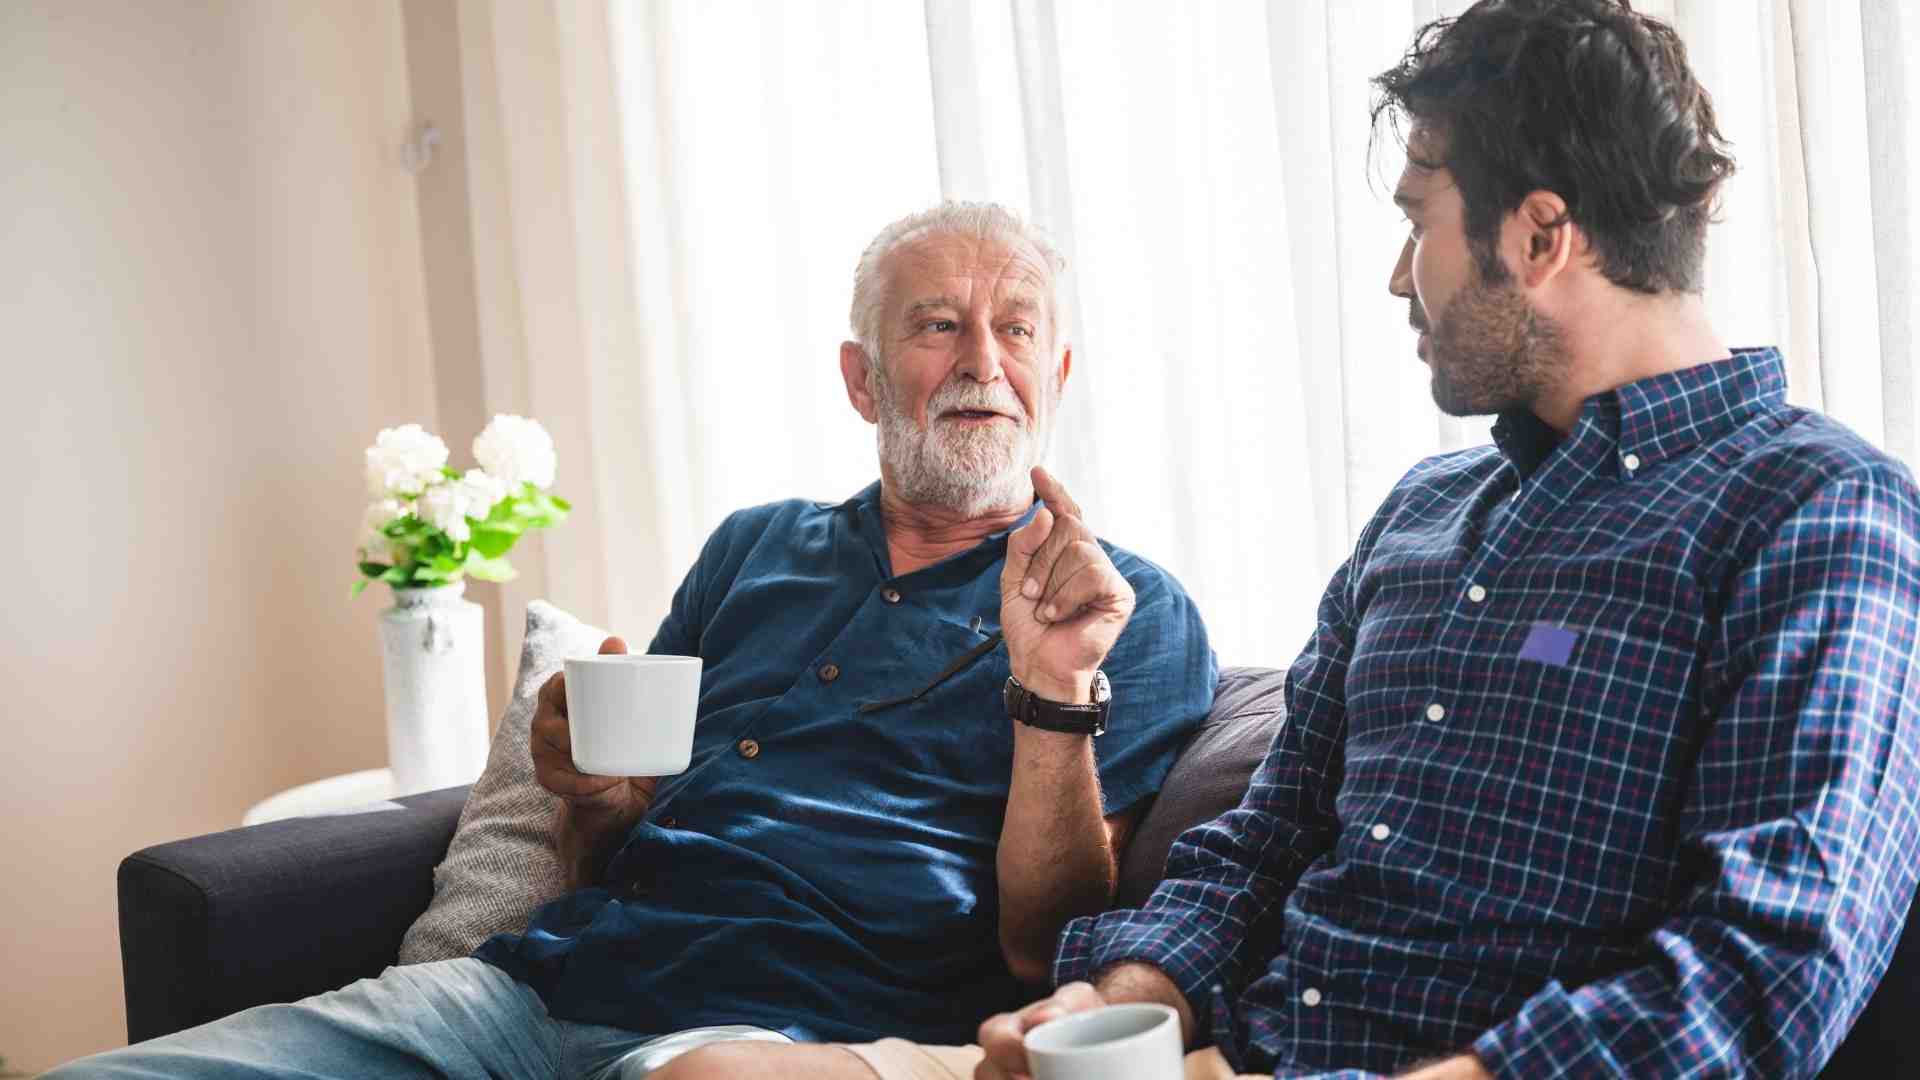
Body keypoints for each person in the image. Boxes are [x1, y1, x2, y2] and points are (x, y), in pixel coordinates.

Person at [959, 2, 1920, 1078]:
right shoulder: (1420, 516)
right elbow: (1264, 842)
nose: (1395, 275)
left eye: (1420, 222)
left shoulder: (1818, 513)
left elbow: (1764, 969)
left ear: (1539, 235)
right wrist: (1121, 1006)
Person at [44, 202, 1215, 1079]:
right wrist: (590, 793)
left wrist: (1052, 691)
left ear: (1055, 374)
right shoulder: (756, 547)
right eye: (936, 326)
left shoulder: (1122, 610)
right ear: (862, 380)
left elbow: (1045, 950)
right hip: (537, 986)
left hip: (782, 1029)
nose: (980, 362)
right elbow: (617, 840)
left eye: (1015, 330)